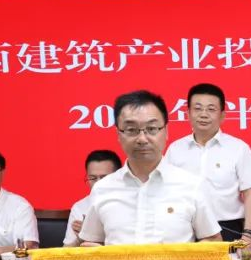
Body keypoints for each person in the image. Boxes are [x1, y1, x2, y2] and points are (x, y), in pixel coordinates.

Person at [78, 90, 222, 245]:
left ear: (166, 131)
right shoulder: (102, 189)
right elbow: (90, 243)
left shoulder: (191, 185)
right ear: (118, 134)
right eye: (131, 130)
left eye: (152, 128)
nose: (142, 139)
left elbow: (213, 240)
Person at [164, 83, 251, 244]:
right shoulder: (175, 149)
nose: (203, 114)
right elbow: (165, 191)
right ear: (188, 113)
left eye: (211, 109)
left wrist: (248, 236)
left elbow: (250, 193)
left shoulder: (238, 148)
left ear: (222, 115)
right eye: (198, 108)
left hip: (227, 229)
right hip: (184, 229)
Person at [63, 150, 122, 247]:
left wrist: (94, 236)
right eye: (93, 178)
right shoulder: (80, 207)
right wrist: (82, 237)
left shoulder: (129, 202)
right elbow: (65, 251)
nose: (98, 184)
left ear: (119, 177)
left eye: (104, 178)